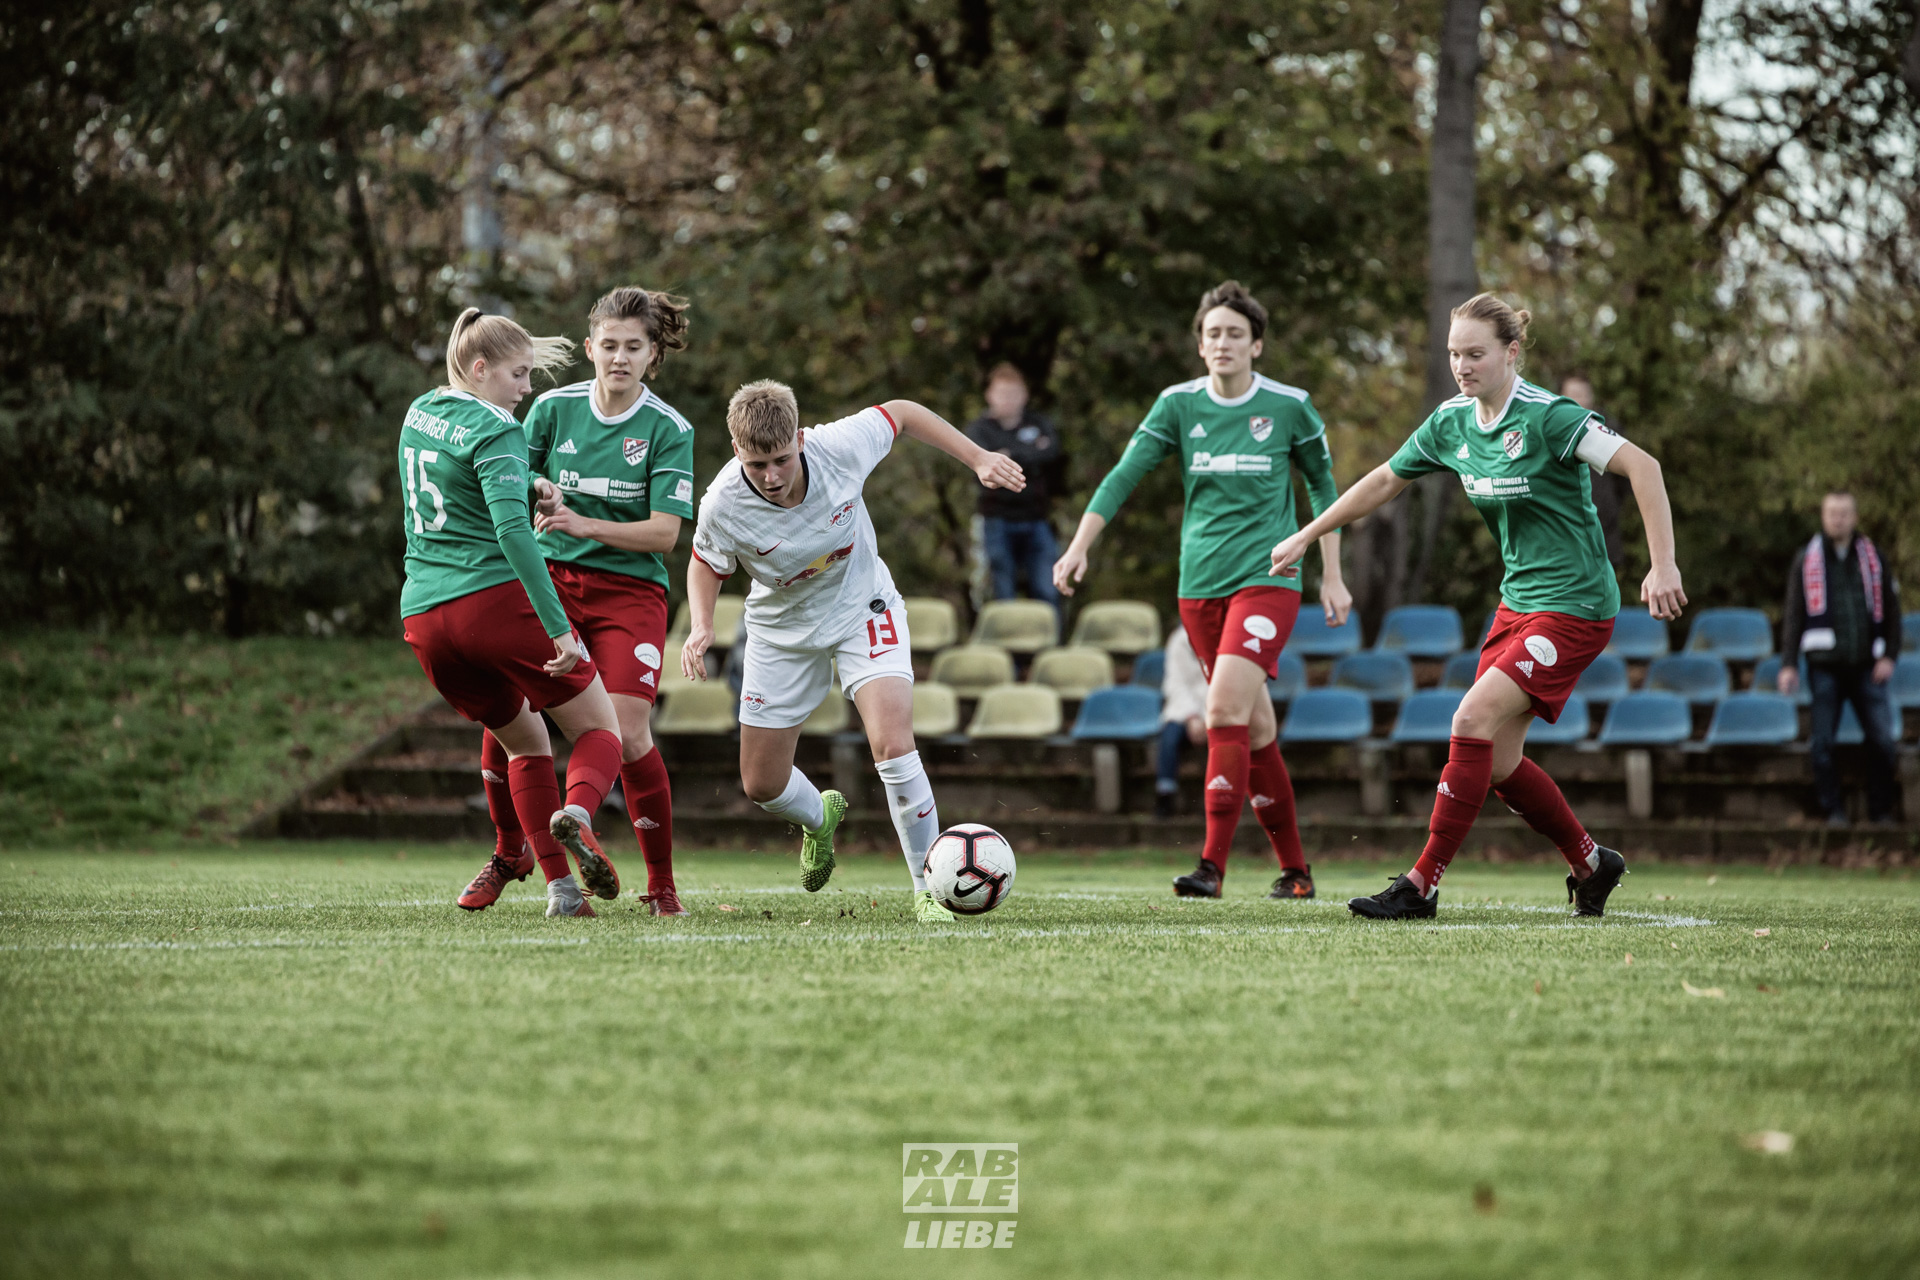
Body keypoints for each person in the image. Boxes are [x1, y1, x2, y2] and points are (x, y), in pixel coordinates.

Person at [1272, 293, 1687, 920]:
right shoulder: (1452, 423)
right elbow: (1385, 479)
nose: (1461, 366)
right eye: (1453, 354)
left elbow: (1644, 467)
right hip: (1517, 604)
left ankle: (1421, 885)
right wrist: (1308, 534)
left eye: (1475, 354)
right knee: (1498, 762)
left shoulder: (1551, 417)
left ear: (1511, 352)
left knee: (1468, 721)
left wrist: (1662, 565)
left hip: (1575, 606)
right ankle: (1591, 863)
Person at [680, 381, 1025, 922]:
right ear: (735, 451)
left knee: (893, 746)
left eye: (781, 459)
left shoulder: (839, 446)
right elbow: (705, 563)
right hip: (780, 632)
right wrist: (702, 624)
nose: (771, 477)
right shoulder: (723, 502)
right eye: (756, 465)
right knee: (761, 784)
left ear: (799, 438)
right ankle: (820, 817)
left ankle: (927, 893)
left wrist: (978, 457)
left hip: (864, 609)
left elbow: (905, 411)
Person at [1053, 280, 1347, 902]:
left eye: (1235, 334)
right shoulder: (1177, 406)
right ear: (1200, 344)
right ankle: (1296, 871)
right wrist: (1080, 545)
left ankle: (1211, 866)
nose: (1223, 343)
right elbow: (1122, 477)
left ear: (1256, 345)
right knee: (1255, 728)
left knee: (1220, 712)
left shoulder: (1290, 406)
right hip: (1199, 589)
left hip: (1269, 579)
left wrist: (1333, 573)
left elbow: (1325, 493)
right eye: (1212, 333)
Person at [475, 286, 697, 919]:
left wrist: (583, 524)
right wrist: (535, 499)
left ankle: (660, 885)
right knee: (511, 721)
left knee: (627, 732)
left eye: (634, 347)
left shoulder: (668, 428)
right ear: (591, 347)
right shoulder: (549, 410)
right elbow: (511, 489)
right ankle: (527, 859)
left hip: (629, 594)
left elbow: (665, 534)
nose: (619, 358)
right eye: (609, 346)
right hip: (554, 591)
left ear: (653, 355)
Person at [401, 308, 627, 919]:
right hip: (490, 605)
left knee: (524, 745)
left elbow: (459, 481)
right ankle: (576, 816)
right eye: (518, 374)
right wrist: (559, 627)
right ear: (479, 369)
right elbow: (511, 534)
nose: (527, 389)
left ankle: (560, 891)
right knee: (601, 730)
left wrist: (530, 482)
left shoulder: (420, 411)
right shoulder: (497, 426)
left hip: (424, 616)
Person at [1778, 492, 1903, 825]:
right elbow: (1794, 614)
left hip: (1868, 666)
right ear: (1823, 516)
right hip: (1824, 668)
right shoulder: (1807, 558)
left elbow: (1892, 611)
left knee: (1883, 742)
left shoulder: (1874, 557)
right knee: (1821, 744)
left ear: (1854, 517)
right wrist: (1789, 663)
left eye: (1844, 513)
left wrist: (1889, 655)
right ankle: (1833, 812)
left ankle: (1881, 812)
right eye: (1832, 513)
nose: (1838, 519)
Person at [965, 363, 1067, 607]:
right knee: (1001, 589)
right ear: (989, 395)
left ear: (1025, 396)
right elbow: (978, 465)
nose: (1008, 400)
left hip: (1037, 518)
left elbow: (1052, 454)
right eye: (1002, 393)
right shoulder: (978, 430)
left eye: (1013, 394)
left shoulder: (1040, 423)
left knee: (1047, 587)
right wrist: (1030, 454)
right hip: (996, 519)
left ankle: (1049, 642)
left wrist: (1007, 454)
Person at [1559, 374, 1628, 569]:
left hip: (1603, 535)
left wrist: (1609, 507)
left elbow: (1625, 481)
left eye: (1583, 394)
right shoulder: (1552, 433)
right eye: (1573, 395)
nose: (1579, 401)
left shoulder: (1609, 431)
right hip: (1564, 541)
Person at [1153, 624, 1208, 820]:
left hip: (1217, 712)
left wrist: (1208, 718)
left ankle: (1217, 800)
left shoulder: (1228, 637)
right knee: (1169, 738)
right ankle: (1165, 796)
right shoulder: (1179, 639)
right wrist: (1193, 717)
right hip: (1182, 711)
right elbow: (1175, 683)